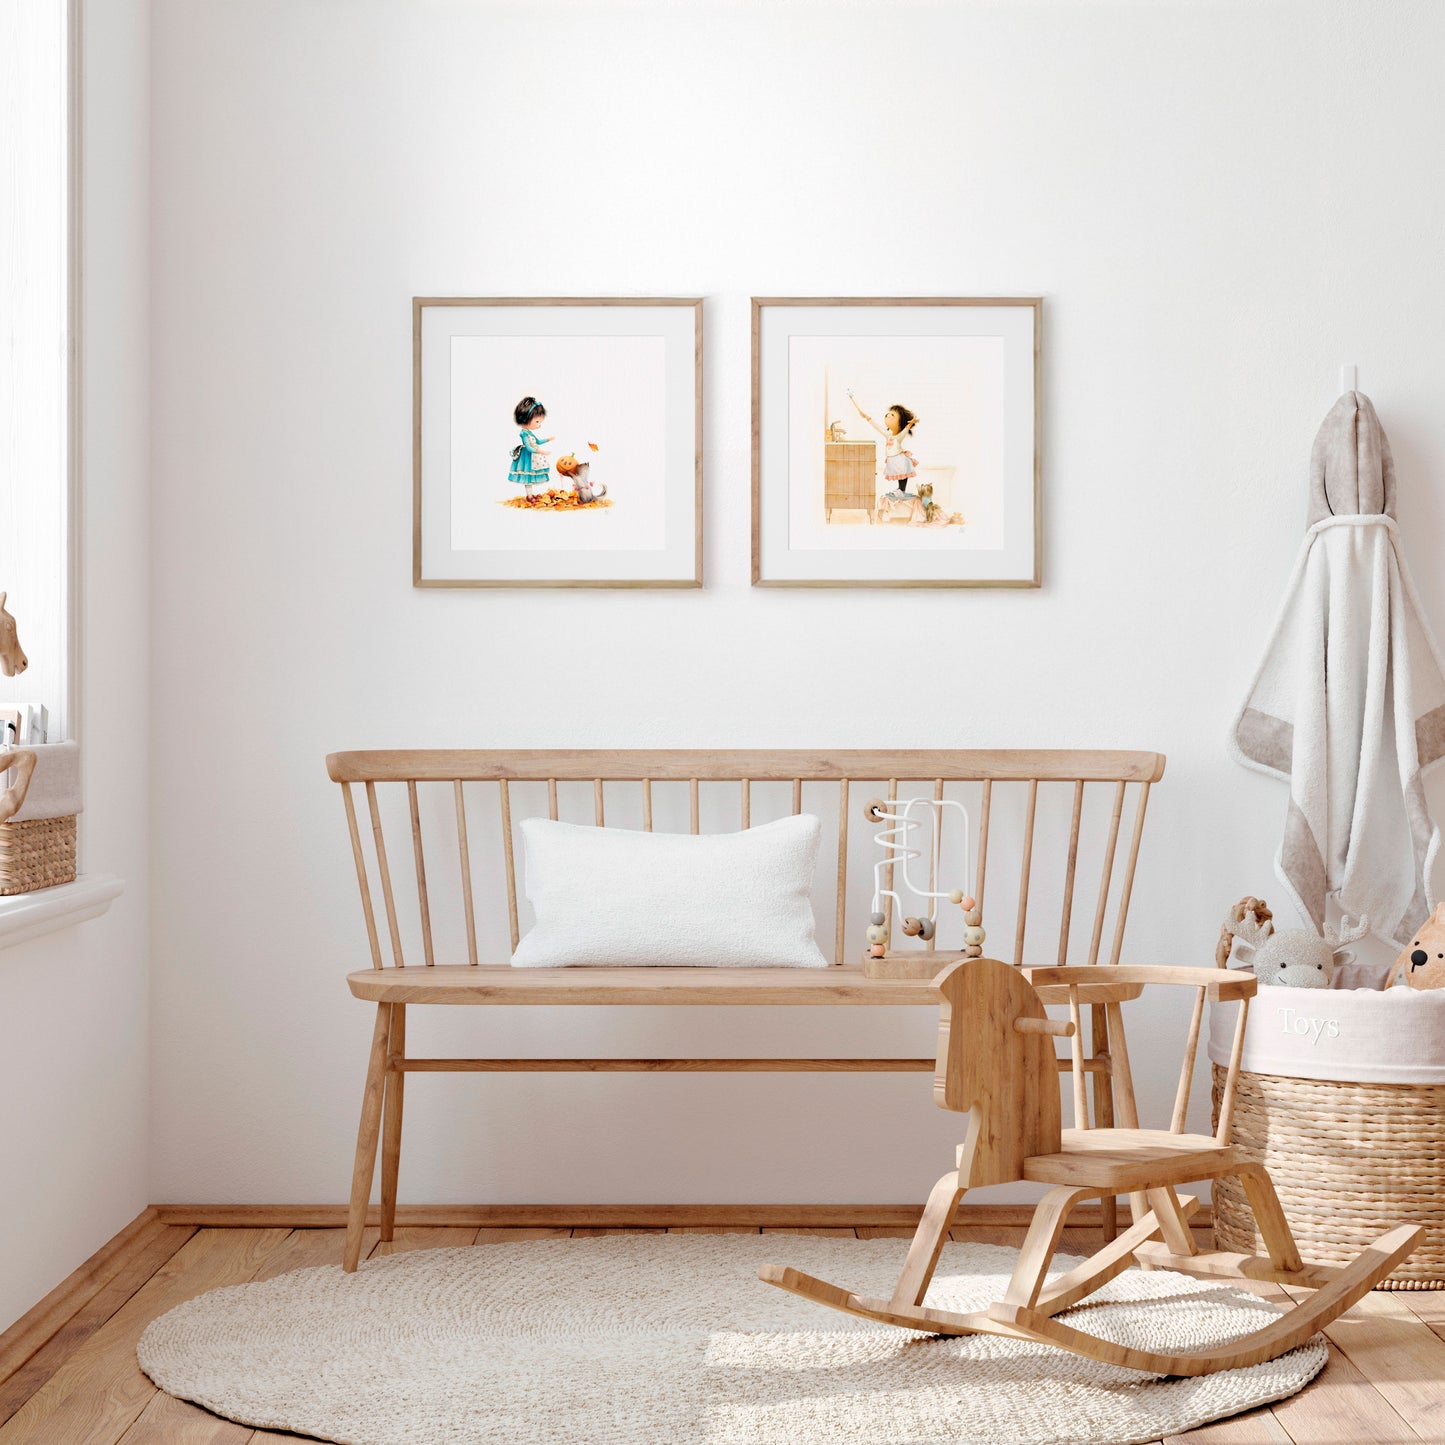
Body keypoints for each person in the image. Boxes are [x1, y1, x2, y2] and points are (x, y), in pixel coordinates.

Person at [847, 389, 920, 497]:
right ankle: (900, 490)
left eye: (893, 415)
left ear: (900, 423)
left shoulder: (898, 437)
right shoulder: (888, 435)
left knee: (903, 474)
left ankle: (901, 490)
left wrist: (911, 423)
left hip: (899, 458)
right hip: (893, 459)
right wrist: (867, 417)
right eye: (888, 414)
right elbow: (877, 427)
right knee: (899, 474)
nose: (888, 416)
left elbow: (905, 429)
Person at [508, 397, 553, 498]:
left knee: (532, 476)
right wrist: (541, 451)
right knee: (527, 476)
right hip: (527, 457)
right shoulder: (524, 433)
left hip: (533, 455)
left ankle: (531, 495)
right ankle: (529, 496)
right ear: (526, 419)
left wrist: (548, 439)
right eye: (537, 422)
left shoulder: (529, 432)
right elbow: (529, 448)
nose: (539, 425)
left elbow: (537, 441)